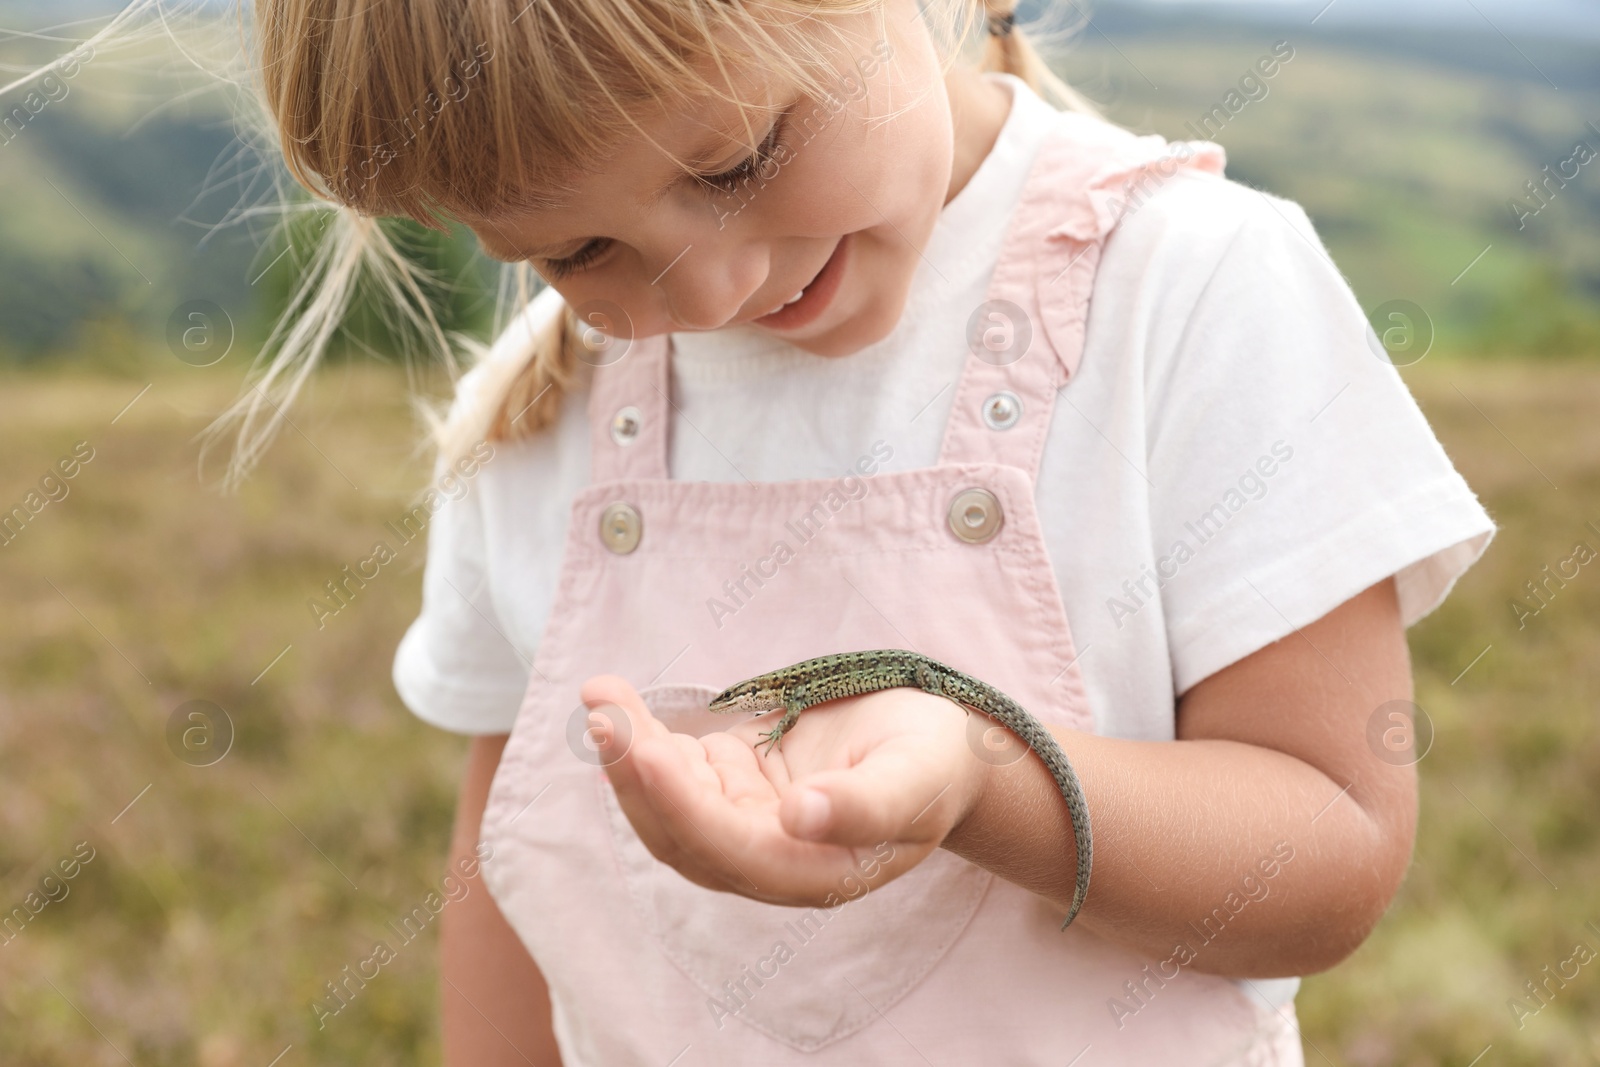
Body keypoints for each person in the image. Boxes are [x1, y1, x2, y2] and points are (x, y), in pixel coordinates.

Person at [234, 0, 1497, 1062]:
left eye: (734, 163)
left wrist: (978, 779)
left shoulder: (1192, 289)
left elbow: (1328, 855)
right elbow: (506, 866)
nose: (712, 286)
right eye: (581, 248)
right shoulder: (540, 408)